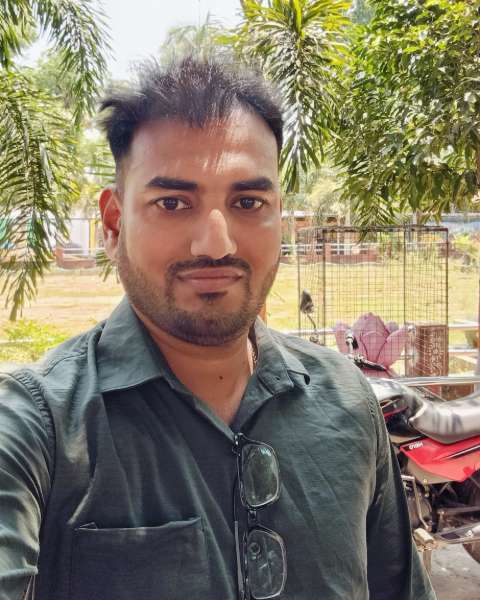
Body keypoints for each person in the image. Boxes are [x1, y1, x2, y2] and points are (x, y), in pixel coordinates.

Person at [0, 57, 435, 600]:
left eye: (248, 202)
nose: (216, 243)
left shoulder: (346, 399)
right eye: (172, 203)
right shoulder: (39, 427)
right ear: (113, 223)